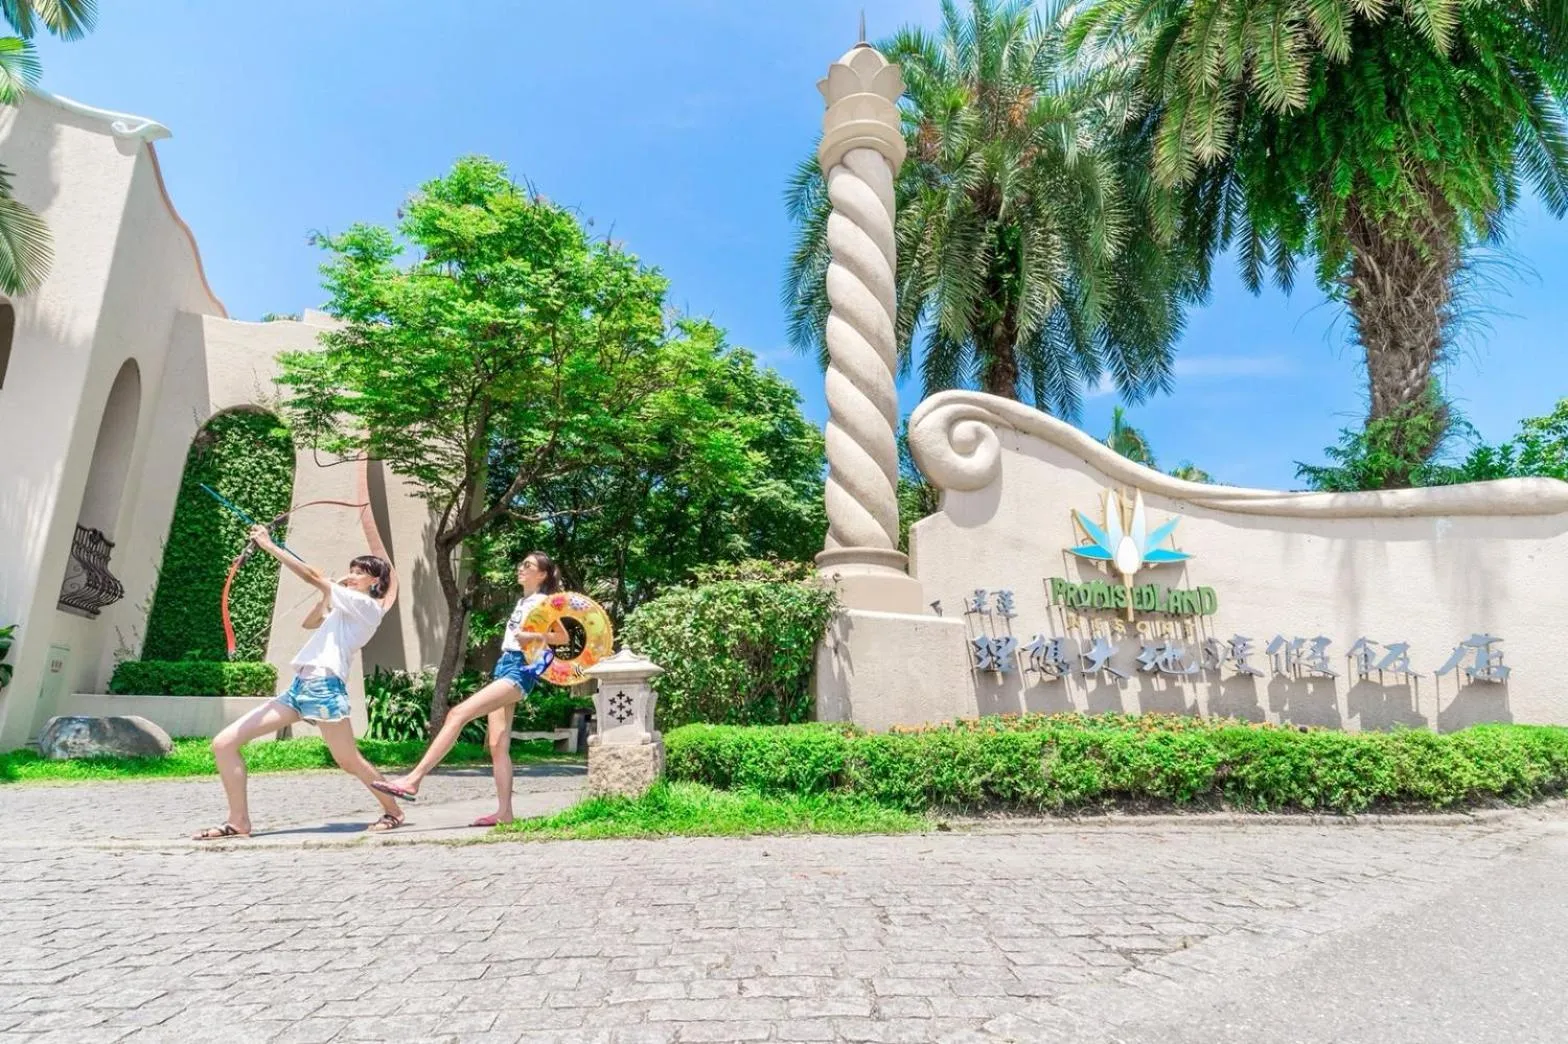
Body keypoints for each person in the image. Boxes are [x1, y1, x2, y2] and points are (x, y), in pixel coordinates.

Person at [192, 524, 404, 839]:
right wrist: (326, 592)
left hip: (324, 687)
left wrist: (269, 546)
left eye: (361, 572)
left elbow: (309, 575)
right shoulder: (344, 606)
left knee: (348, 761)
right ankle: (238, 822)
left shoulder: (368, 607)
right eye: (352, 570)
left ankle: (394, 811)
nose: (353, 574)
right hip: (299, 688)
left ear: (375, 581)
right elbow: (310, 622)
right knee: (224, 743)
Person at [372, 551, 568, 825]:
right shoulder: (524, 601)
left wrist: (533, 635)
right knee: (497, 744)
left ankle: (413, 780)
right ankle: (505, 813)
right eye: (521, 563)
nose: (521, 568)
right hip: (505, 665)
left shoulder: (542, 601)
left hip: (519, 670)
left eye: (529, 565)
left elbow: (562, 636)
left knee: (457, 714)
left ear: (543, 574)